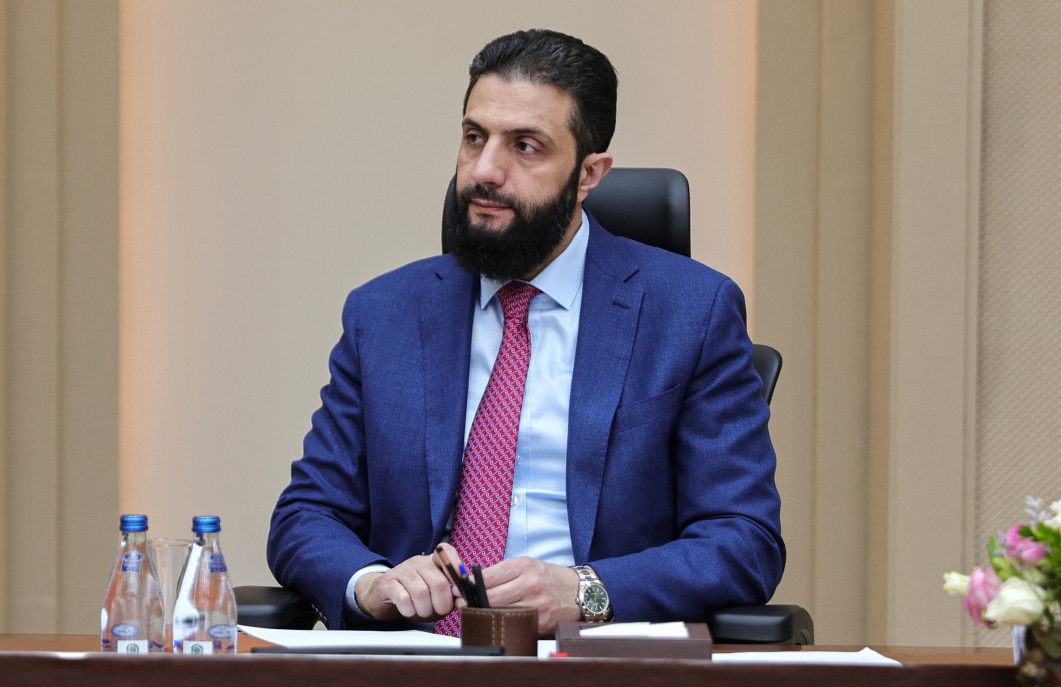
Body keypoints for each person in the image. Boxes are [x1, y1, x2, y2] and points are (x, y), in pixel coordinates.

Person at [267, 28, 784, 635]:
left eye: (526, 146)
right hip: (418, 661)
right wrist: (372, 583)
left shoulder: (690, 313)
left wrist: (585, 590)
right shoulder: (384, 314)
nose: (485, 170)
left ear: (589, 174)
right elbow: (307, 515)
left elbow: (743, 538)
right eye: (474, 137)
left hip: (589, 661)